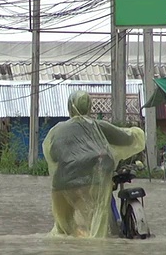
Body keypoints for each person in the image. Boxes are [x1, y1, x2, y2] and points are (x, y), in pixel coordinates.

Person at [42, 90, 146, 238]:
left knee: (65, 229)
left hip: (62, 185)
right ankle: (93, 250)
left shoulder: (57, 131)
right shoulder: (98, 127)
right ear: (89, 107)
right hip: (93, 184)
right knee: (96, 224)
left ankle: (70, 252)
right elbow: (126, 139)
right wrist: (137, 132)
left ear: (69, 107)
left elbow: (53, 155)